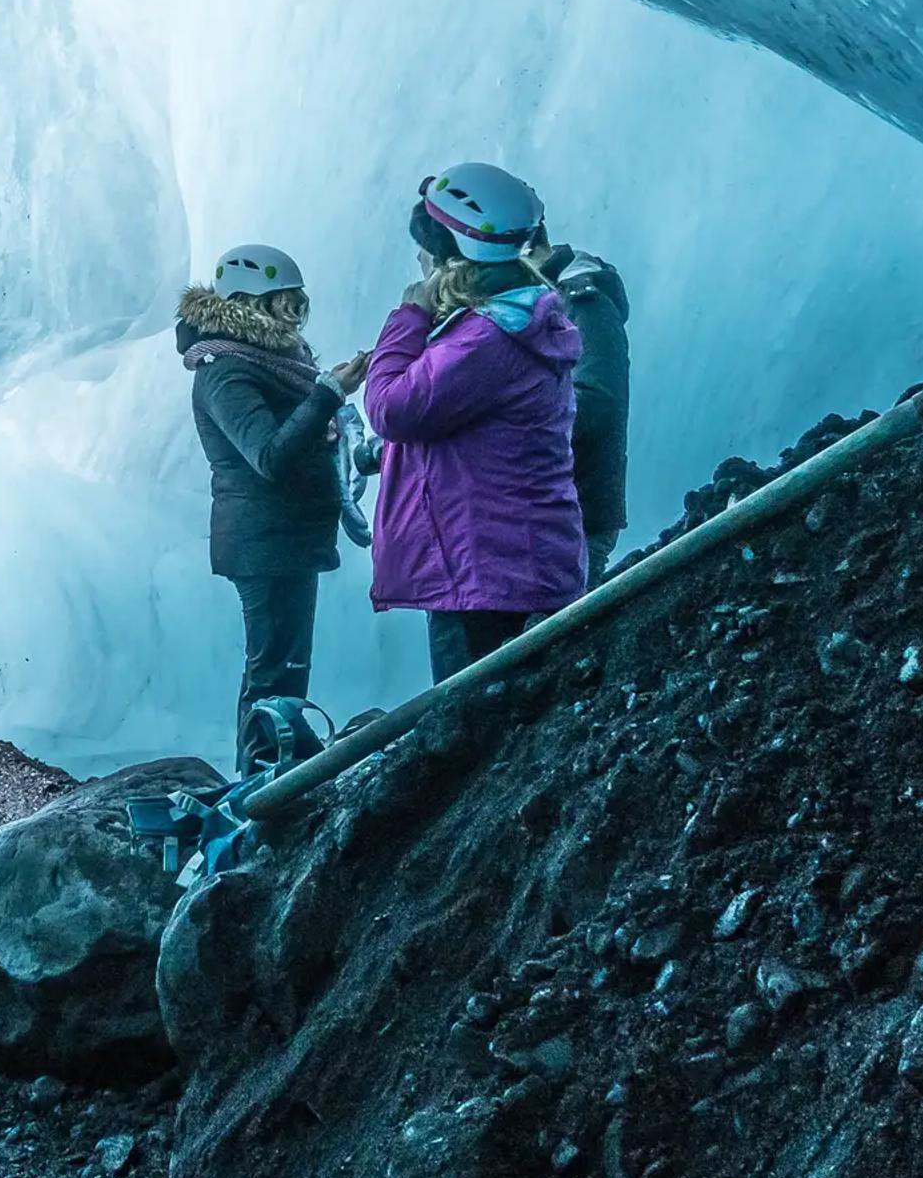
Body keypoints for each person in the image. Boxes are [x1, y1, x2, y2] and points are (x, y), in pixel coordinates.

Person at [357, 163, 587, 683]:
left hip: (483, 570)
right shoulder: (523, 318)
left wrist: (409, 316)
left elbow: (392, 408)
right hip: (512, 561)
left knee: (477, 728)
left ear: (450, 259)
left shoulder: (485, 339)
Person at [176, 243, 368, 769]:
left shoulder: (266, 361)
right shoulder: (224, 370)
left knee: (283, 665)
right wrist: (329, 392)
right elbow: (269, 457)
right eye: (289, 304)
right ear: (252, 303)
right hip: (264, 541)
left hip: (285, 536)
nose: (296, 317)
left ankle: (273, 766)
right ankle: (259, 779)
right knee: (273, 670)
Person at [544, 242, 631, 589]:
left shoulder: (583, 301)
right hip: (550, 520)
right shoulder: (554, 304)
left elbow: (596, 407)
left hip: (573, 521)